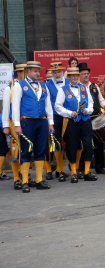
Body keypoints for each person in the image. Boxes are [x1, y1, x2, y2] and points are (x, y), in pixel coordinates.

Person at [12, 61, 54, 193]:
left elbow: (48, 105)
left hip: (41, 121)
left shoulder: (43, 86)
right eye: (35, 71)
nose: (38, 73)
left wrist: (51, 122)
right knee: (26, 150)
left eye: (38, 71)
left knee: (41, 149)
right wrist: (17, 125)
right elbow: (15, 106)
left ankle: (39, 180)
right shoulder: (20, 85)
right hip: (27, 121)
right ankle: (24, 181)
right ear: (28, 71)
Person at [55, 67, 98, 183]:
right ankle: (74, 172)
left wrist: (88, 111)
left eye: (76, 76)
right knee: (72, 146)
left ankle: (87, 172)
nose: (74, 78)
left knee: (88, 145)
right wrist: (69, 113)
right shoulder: (62, 90)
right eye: (72, 76)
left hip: (85, 121)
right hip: (72, 122)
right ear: (68, 77)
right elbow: (57, 106)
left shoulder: (84, 88)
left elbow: (91, 103)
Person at [78, 62, 105, 174]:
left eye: (87, 73)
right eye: (83, 74)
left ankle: (99, 167)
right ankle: (81, 168)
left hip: (95, 117)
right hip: (82, 119)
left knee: (98, 142)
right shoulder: (76, 87)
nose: (86, 75)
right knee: (83, 143)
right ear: (79, 75)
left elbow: (100, 99)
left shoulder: (94, 86)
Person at [2, 63, 26, 187]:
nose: (23, 73)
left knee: (25, 150)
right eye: (21, 71)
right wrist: (5, 125)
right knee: (15, 151)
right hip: (13, 123)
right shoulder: (10, 87)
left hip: (26, 122)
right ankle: (16, 178)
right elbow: (6, 107)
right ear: (18, 73)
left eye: (25, 71)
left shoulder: (29, 86)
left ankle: (24, 175)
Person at [46, 62, 70, 182]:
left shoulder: (69, 82)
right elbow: (47, 101)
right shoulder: (47, 84)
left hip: (69, 116)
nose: (56, 74)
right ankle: (60, 169)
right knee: (57, 142)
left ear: (62, 71)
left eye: (58, 71)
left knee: (70, 141)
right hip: (55, 116)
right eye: (54, 72)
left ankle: (74, 168)